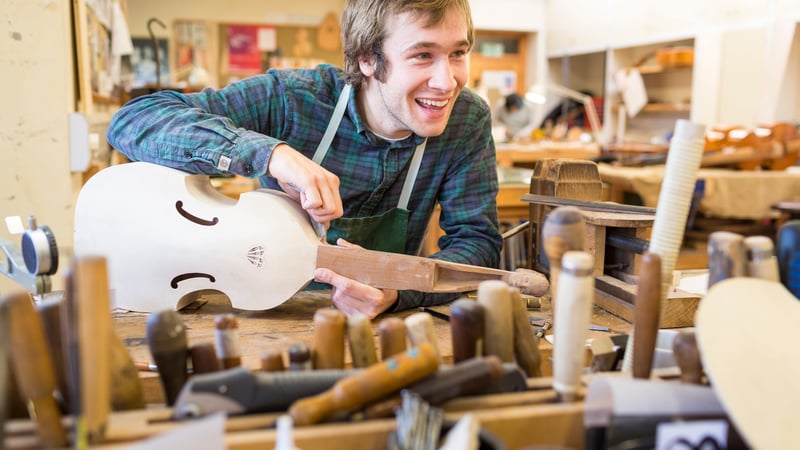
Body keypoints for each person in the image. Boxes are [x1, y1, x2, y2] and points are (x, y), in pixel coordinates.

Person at [106, 0, 503, 319]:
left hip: (378, 324)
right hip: (267, 316)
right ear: (367, 59)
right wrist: (269, 154)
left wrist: (398, 290)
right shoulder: (292, 100)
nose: (447, 81)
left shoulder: (467, 120)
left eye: (457, 54)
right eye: (422, 56)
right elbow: (133, 121)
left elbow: (477, 244)